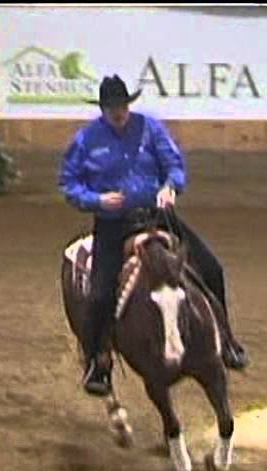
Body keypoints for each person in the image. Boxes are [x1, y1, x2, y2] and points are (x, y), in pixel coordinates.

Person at [59, 75, 250, 397]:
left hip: (155, 214)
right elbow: (69, 183)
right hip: (112, 223)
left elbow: (173, 164)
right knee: (101, 294)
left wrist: (170, 187)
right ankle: (99, 362)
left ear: (127, 105)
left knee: (212, 268)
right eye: (111, 108)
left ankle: (227, 341)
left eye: (121, 106)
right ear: (103, 109)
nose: (117, 113)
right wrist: (96, 200)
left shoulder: (150, 128)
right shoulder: (86, 139)